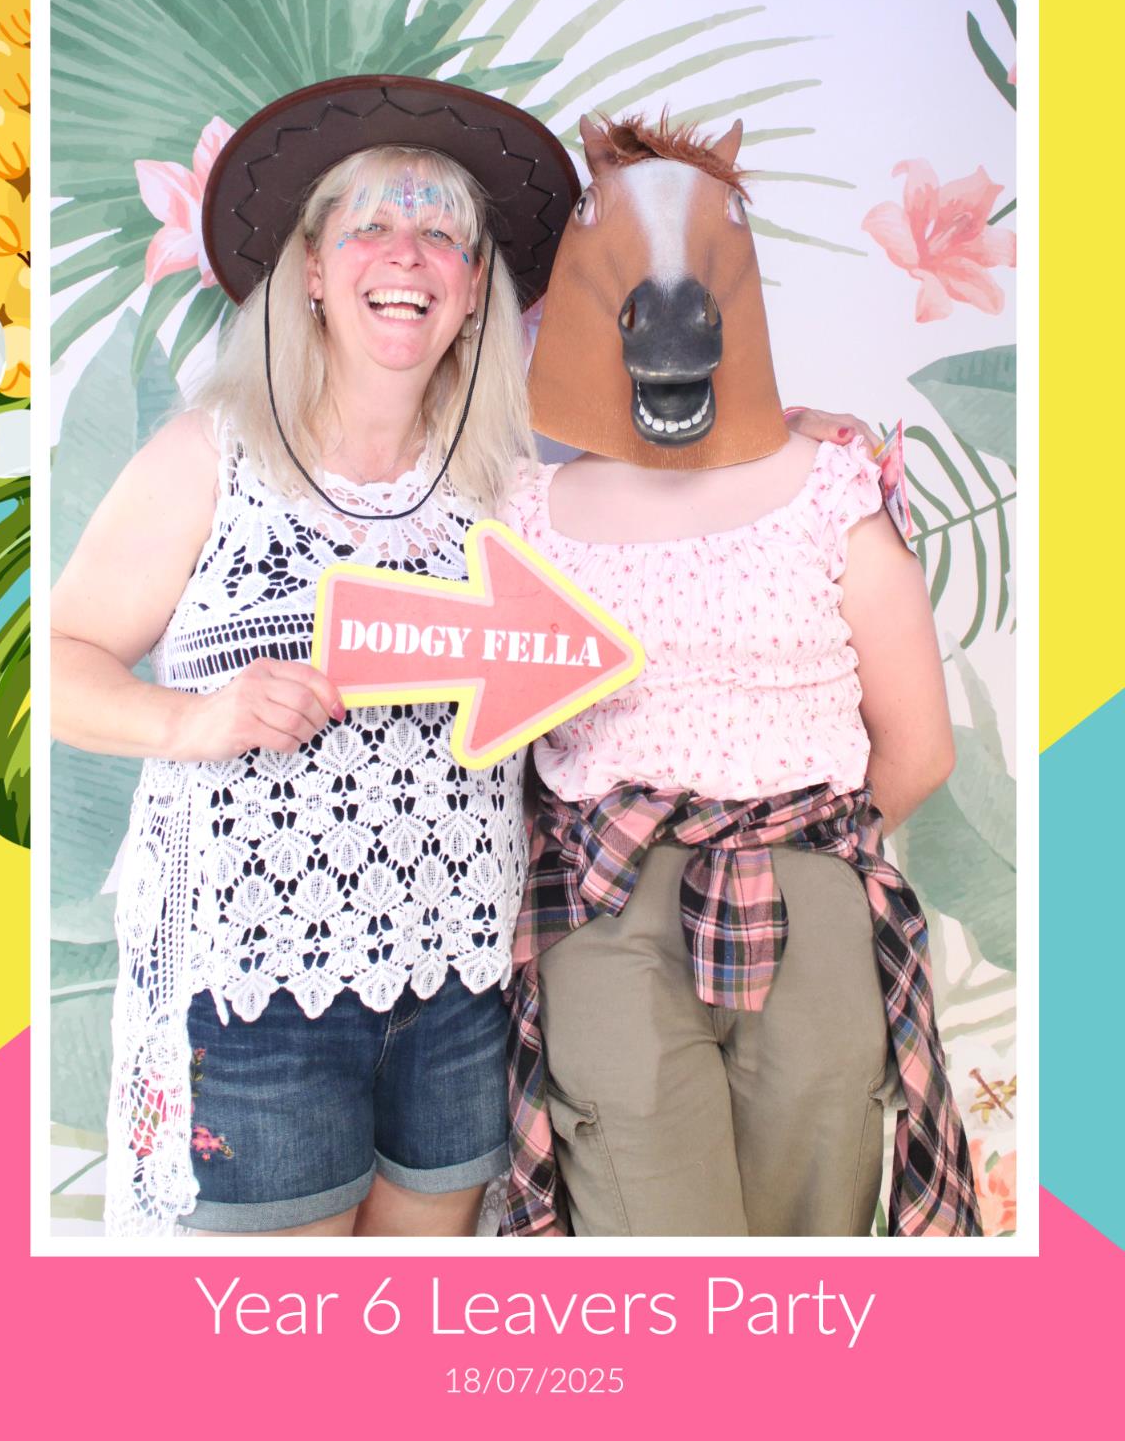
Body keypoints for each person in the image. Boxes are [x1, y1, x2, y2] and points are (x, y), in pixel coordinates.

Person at [50, 76, 580, 1238]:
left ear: (476, 284)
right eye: (373, 224)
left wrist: (802, 433)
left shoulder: (513, 488)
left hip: (457, 982)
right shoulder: (215, 454)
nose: (410, 253)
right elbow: (63, 661)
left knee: (400, 1351)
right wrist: (193, 720)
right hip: (252, 985)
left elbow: (663, 518)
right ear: (310, 269)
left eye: (445, 231)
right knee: (274, 1371)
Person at [500, 112, 981, 1238]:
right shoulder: (526, 515)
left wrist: (792, 849)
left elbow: (918, 747)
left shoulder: (831, 490)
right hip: (608, 907)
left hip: (805, 892)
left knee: (811, 1232)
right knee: (647, 1233)